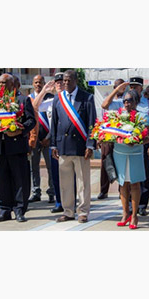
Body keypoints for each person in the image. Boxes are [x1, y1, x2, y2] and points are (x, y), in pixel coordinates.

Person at [0, 74, 36, 222]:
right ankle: (4, 209)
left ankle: (19, 210)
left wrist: (19, 130)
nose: (1, 85)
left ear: (13, 84)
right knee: (2, 181)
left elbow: (31, 121)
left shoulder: (22, 100)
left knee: (20, 180)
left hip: (16, 147)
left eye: (5, 83)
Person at [50, 70, 97, 223]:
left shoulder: (87, 97)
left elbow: (92, 124)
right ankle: (68, 211)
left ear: (76, 80)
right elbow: (54, 124)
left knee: (83, 181)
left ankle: (83, 212)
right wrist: (53, 145)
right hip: (63, 146)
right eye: (64, 80)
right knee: (65, 182)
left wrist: (90, 144)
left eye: (69, 80)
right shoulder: (58, 98)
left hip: (80, 147)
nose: (66, 83)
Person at [113, 90, 149, 229]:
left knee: (134, 184)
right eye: (124, 101)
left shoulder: (142, 117)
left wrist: (135, 141)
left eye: (129, 101)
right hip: (120, 153)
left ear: (136, 102)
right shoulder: (117, 116)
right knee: (123, 184)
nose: (127, 103)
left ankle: (134, 215)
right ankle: (125, 213)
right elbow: (110, 132)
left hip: (135, 154)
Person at [32, 72, 67, 213]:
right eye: (57, 82)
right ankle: (59, 201)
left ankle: (71, 201)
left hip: (68, 143)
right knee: (55, 173)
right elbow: (35, 106)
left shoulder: (72, 100)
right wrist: (45, 90)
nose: (59, 84)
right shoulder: (51, 101)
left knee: (70, 175)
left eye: (62, 82)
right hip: (55, 144)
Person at [129, 77, 149, 216]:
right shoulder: (125, 102)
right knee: (129, 174)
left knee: (144, 174)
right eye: (131, 86)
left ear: (141, 88)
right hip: (128, 144)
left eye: (136, 86)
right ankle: (129, 203)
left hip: (144, 143)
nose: (133, 89)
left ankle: (142, 205)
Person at [28, 75, 56, 204]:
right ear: (33, 84)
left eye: (40, 82)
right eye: (36, 82)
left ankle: (52, 192)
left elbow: (55, 120)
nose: (38, 84)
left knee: (51, 167)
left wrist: (49, 137)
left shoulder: (51, 99)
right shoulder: (29, 99)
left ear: (44, 84)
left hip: (48, 138)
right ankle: (36, 191)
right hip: (34, 140)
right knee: (34, 166)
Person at [99, 78, 126, 200]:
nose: (119, 88)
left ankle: (123, 190)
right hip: (108, 137)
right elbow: (104, 106)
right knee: (105, 163)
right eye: (116, 86)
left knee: (122, 165)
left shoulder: (127, 100)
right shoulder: (110, 101)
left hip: (122, 138)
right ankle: (103, 190)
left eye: (121, 86)